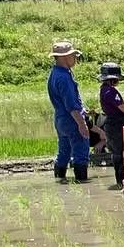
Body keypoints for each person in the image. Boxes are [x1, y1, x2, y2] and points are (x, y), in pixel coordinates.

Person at [47, 41, 90, 183]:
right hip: (71, 119)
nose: (75, 58)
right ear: (65, 57)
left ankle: (60, 180)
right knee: (81, 153)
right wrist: (81, 123)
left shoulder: (54, 73)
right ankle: (82, 184)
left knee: (63, 153)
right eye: (73, 55)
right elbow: (71, 105)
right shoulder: (64, 77)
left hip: (60, 120)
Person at [98, 63, 124, 185]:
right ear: (113, 79)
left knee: (117, 153)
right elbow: (122, 108)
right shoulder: (111, 91)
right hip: (116, 125)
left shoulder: (104, 90)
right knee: (120, 153)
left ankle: (120, 181)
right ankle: (122, 181)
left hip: (111, 124)